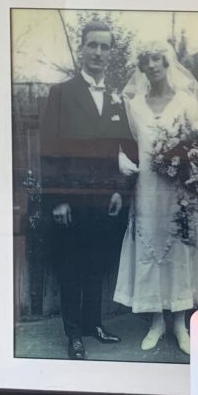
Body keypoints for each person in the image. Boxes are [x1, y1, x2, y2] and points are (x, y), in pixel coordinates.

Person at [113, 42, 198, 355]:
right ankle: (156, 322)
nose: (151, 67)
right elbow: (126, 142)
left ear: (167, 63)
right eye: (145, 62)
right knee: (149, 249)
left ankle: (179, 323)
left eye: (156, 61)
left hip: (179, 192)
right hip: (147, 192)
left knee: (178, 250)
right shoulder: (135, 104)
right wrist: (122, 158)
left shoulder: (186, 102)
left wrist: (190, 156)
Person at [40, 20, 137, 360]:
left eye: (104, 46)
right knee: (71, 266)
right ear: (82, 49)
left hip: (103, 199)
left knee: (97, 264)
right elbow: (50, 149)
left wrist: (118, 190)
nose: (98, 52)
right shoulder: (62, 93)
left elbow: (120, 149)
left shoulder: (114, 97)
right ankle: (73, 335)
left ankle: (94, 324)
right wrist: (59, 198)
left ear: (111, 53)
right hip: (72, 198)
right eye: (92, 45)